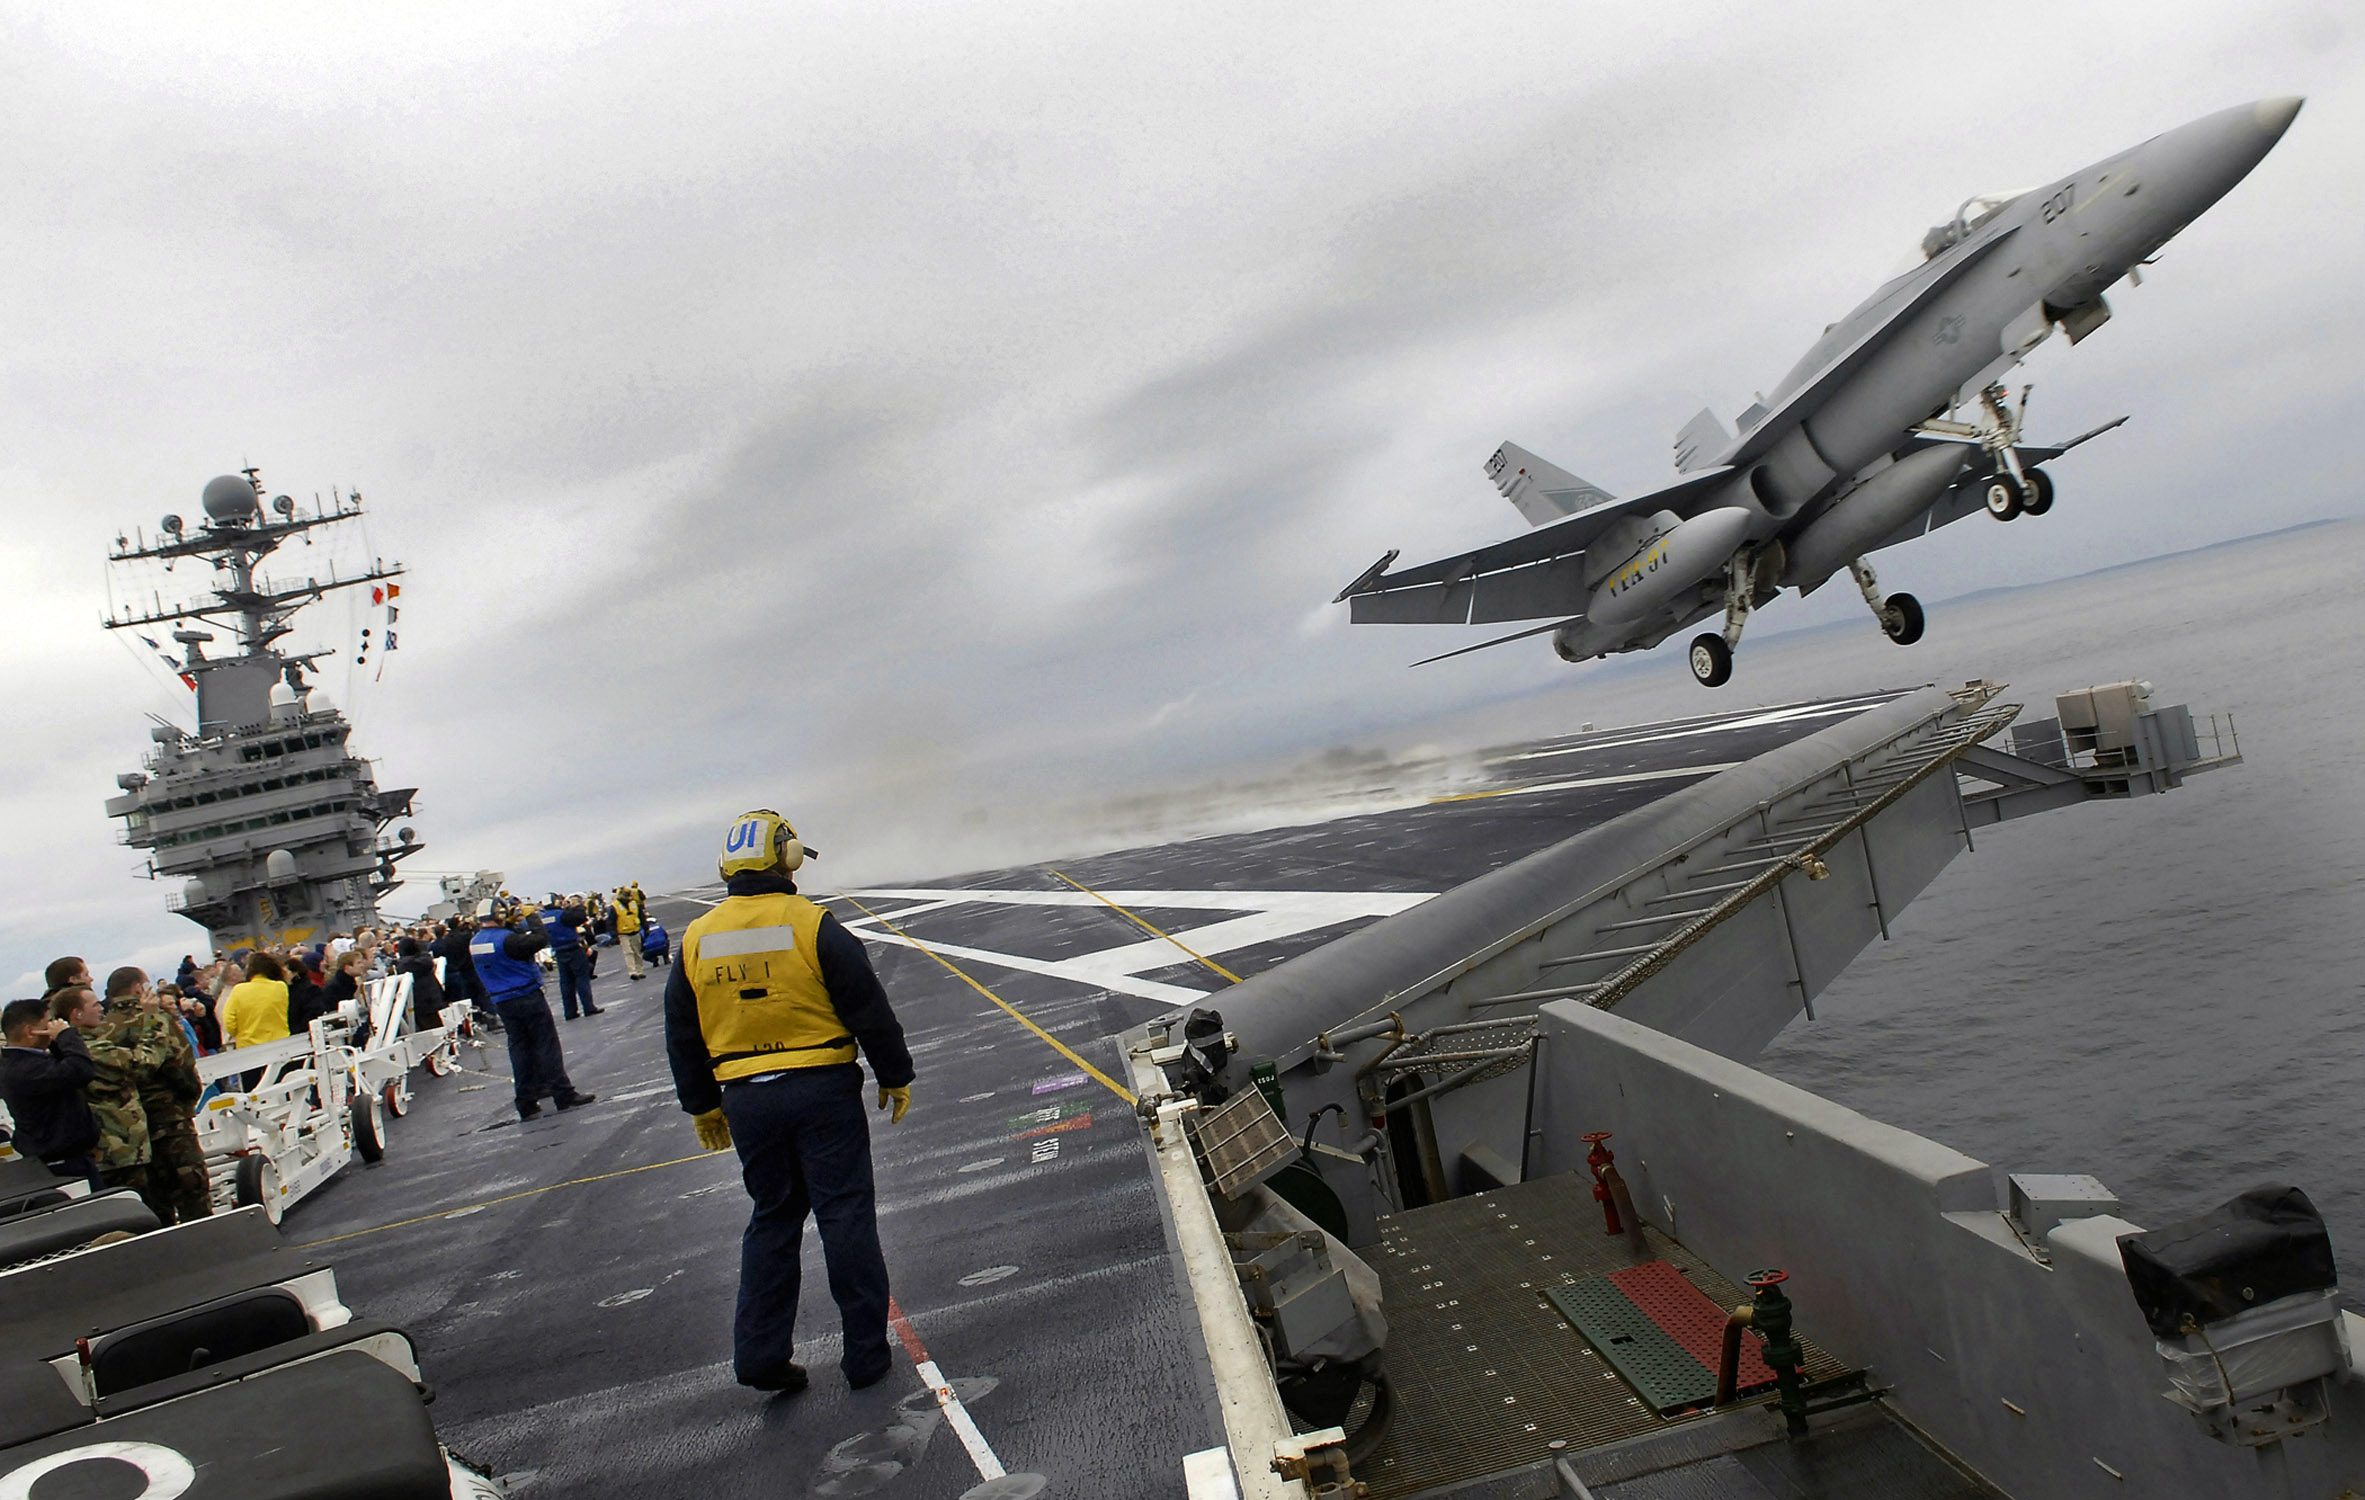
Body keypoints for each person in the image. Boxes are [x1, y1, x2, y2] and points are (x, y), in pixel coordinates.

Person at [665, 809, 913, 1396]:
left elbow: (682, 1029)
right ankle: (865, 1357)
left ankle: (758, 1357)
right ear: (788, 857)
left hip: (746, 1098)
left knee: (772, 1219)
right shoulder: (813, 924)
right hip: (822, 1088)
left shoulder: (697, 938)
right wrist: (895, 1074)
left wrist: (701, 1105)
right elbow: (867, 1007)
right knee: (844, 1212)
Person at [468, 899, 595, 1122]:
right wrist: (532, 917)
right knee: (547, 1045)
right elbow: (540, 939)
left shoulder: (476, 942)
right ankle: (563, 1094)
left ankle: (526, 1102)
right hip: (526, 996)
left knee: (519, 1050)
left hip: (502, 1001)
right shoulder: (507, 940)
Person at [102, 968, 208, 1224]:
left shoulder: (103, 1029)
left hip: (131, 1133)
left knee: (155, 1205)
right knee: (192, 1194)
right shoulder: (156, 1020)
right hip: (171, 1119)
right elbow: (180, 1064)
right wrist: (188, 1099)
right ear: (139, 989)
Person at [50, 986, 151, 1200]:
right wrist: (154, 1019)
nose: (101, 1009)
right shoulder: (90, 1049)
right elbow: (144, 1062)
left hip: (116, 1151)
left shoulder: (75, 1047)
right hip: (117, 1153)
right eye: (95, 1004)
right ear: (76, 1014)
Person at [0, 997, 100, 1183]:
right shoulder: (22, 1069)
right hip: (61, 1162)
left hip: (71, 1157)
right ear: (31, 1032)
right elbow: (81, 1070)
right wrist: (65, 1035)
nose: (52, 1029)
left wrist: (55, 1041)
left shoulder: (25, 1062)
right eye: (47, 1024)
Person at [218, 951, 292, 1091]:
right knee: (282, 1088)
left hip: (249, 1048)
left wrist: (240, 1033)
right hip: (279, 1046)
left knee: (253, 1093)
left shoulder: (239, 990)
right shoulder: (280, 987)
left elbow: (229, 1022)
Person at [541, 896, 603, 1021]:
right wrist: (576, 906)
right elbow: (581, 917)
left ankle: (570, 1011)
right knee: (581, 978)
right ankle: (588, 1007)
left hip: (558, 950)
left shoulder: (543, 918)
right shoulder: (562, 914)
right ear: (555, 902)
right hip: (572, 948)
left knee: (566, 982)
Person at [614, 882, 648, 981]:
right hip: (623, 933)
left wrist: (646, 927)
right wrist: (614, 934)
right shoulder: (615, 907)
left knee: (636, 951)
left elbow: (641, 916)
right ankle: (633, 972)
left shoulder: (634, 904)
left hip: (635, 931)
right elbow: (611, 921)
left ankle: (640, 970)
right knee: (628, 952)